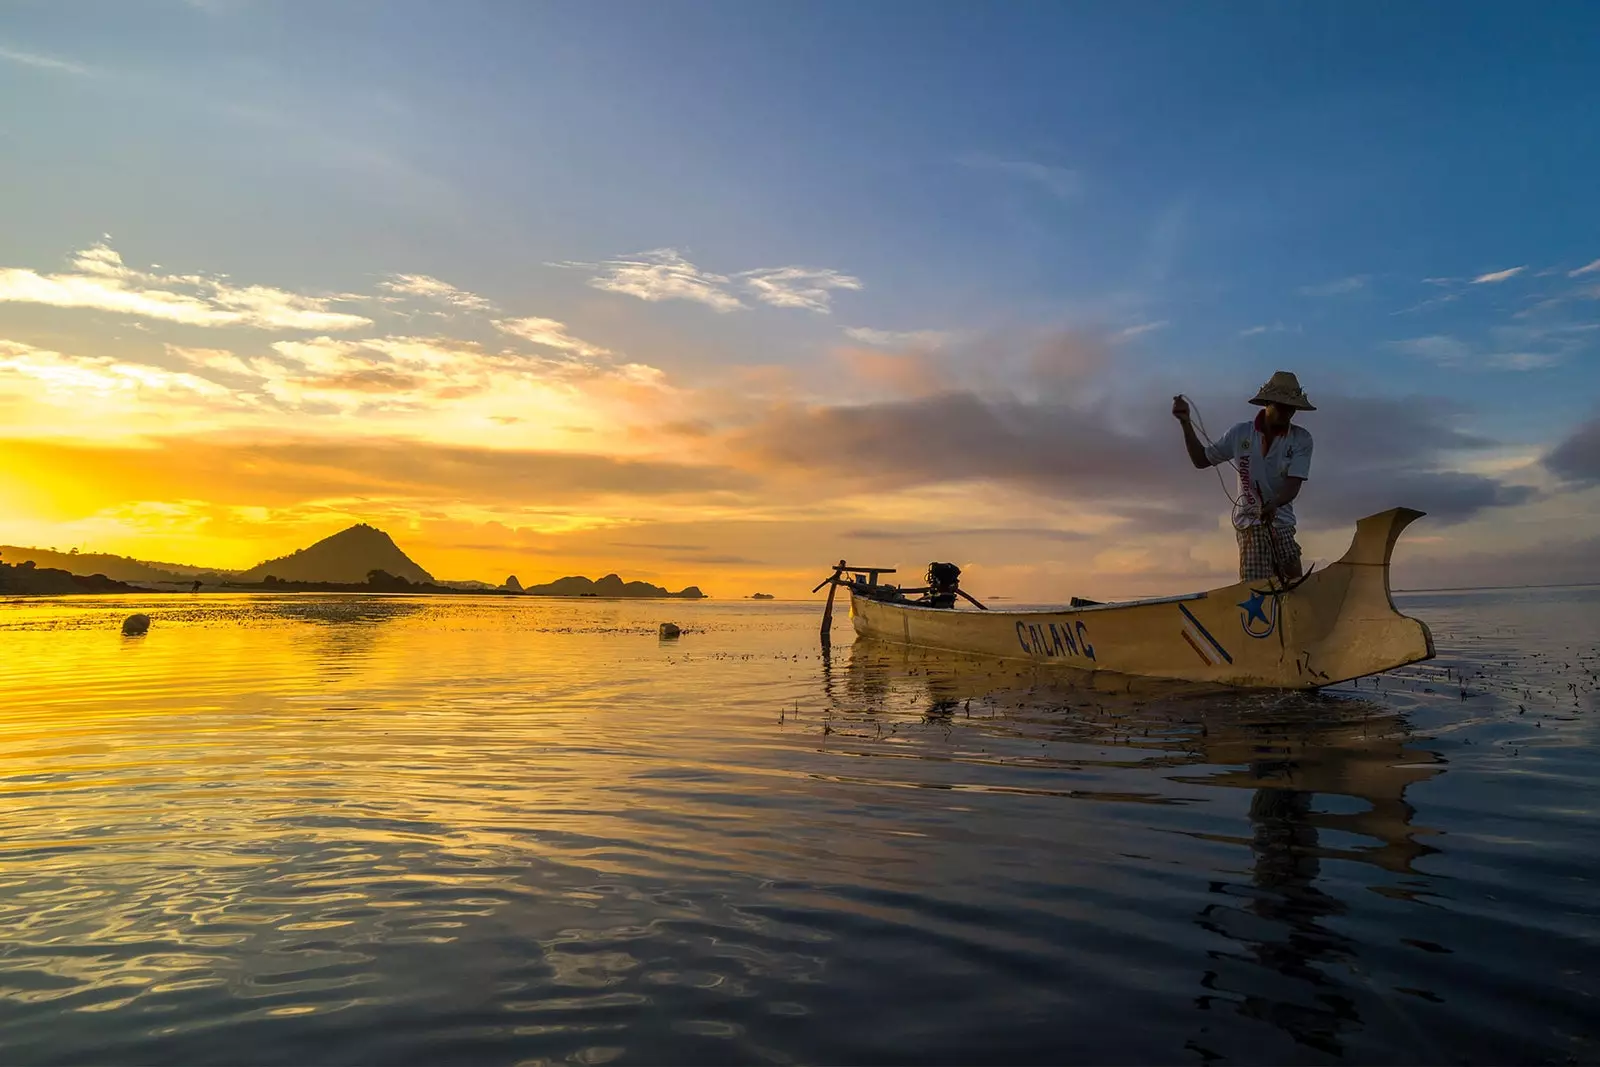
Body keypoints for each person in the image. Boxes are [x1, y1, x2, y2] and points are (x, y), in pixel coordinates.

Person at [1172, 371, 1315, 582]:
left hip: (1282, 523)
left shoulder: (1301, 439)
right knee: (1257, 592)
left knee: (1295, 587)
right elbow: (1201, 460)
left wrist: (1274, 503)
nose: (1287, 413)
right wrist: (1185, 422)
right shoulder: (1240, 434)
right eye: (1281, 406)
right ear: (1267, 403)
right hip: (1250, 525)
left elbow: (1293, 485)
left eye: (1291, 408)